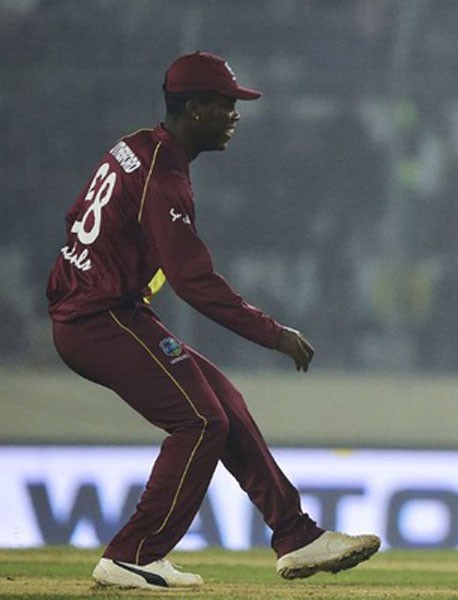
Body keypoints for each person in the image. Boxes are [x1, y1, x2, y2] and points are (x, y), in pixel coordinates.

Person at [45, 51, 380, 591]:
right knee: (202, 420)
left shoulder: (137, 146)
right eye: (226, 104)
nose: (235, 115)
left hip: (104, 308)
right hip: (98, 317)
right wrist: (274, 334)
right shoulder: (164, 174)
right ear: (195, 108)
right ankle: (133, 553)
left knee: (226, 402)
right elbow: (194, 281)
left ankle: (295, 534)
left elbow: (77, 217)